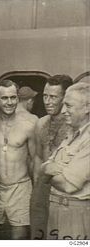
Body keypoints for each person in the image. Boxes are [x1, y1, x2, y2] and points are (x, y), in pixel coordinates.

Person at [40, 82, 90, 239]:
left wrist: (47, 171)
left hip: (75, 215)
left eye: (68, 106)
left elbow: (68, 185)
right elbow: (44, 167)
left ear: (87, 107)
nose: (63, 111)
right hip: (57, 210)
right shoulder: (72, 134)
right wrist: (48, 169)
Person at [0, 79, 36, 239]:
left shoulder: (29, 124)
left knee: (20, 238)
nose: (9, 102)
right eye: (4, 98)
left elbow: (35, 161)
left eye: (13, 97)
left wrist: (37, 193)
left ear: (18, 98)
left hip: (21, 188)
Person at [30, 75, 73, 239]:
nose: (47, 101)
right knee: (38, 236)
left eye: (53, 97)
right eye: (45, 96)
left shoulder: (75, 127)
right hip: (41, 190)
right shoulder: (41, 123)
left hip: (65, 192)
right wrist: (37, 191)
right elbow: (37, 158)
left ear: (65, 97)